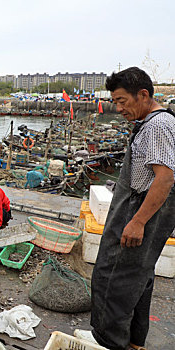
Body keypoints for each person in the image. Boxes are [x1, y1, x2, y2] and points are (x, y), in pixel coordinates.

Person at [75, 67, 175, 350]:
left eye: (121, 101)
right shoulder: (158, 122)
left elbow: (165, 177)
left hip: (138, 212)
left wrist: (138, 221)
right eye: (115, 102)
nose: (117, 108)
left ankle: (110, 343)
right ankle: (133, 343)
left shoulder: (157, 126)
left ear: (143, 95)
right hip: (142, 211)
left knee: (113, 282)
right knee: (138, 280)